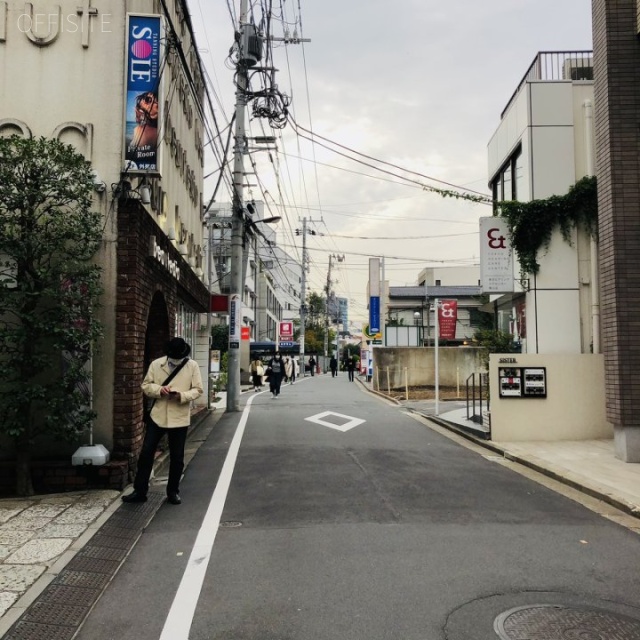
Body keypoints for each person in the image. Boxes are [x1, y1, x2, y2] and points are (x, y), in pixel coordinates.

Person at [122, 337, 203, 506]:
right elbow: (146, 386)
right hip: (157, 416)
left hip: (179, 417)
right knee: (146, 454)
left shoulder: (192, 366)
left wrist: (181, 395)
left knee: (177, 457)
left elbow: (197, 389)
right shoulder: (156, 364)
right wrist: (160, 390)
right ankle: (140, 491)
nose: (175, 360)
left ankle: (173, 492)